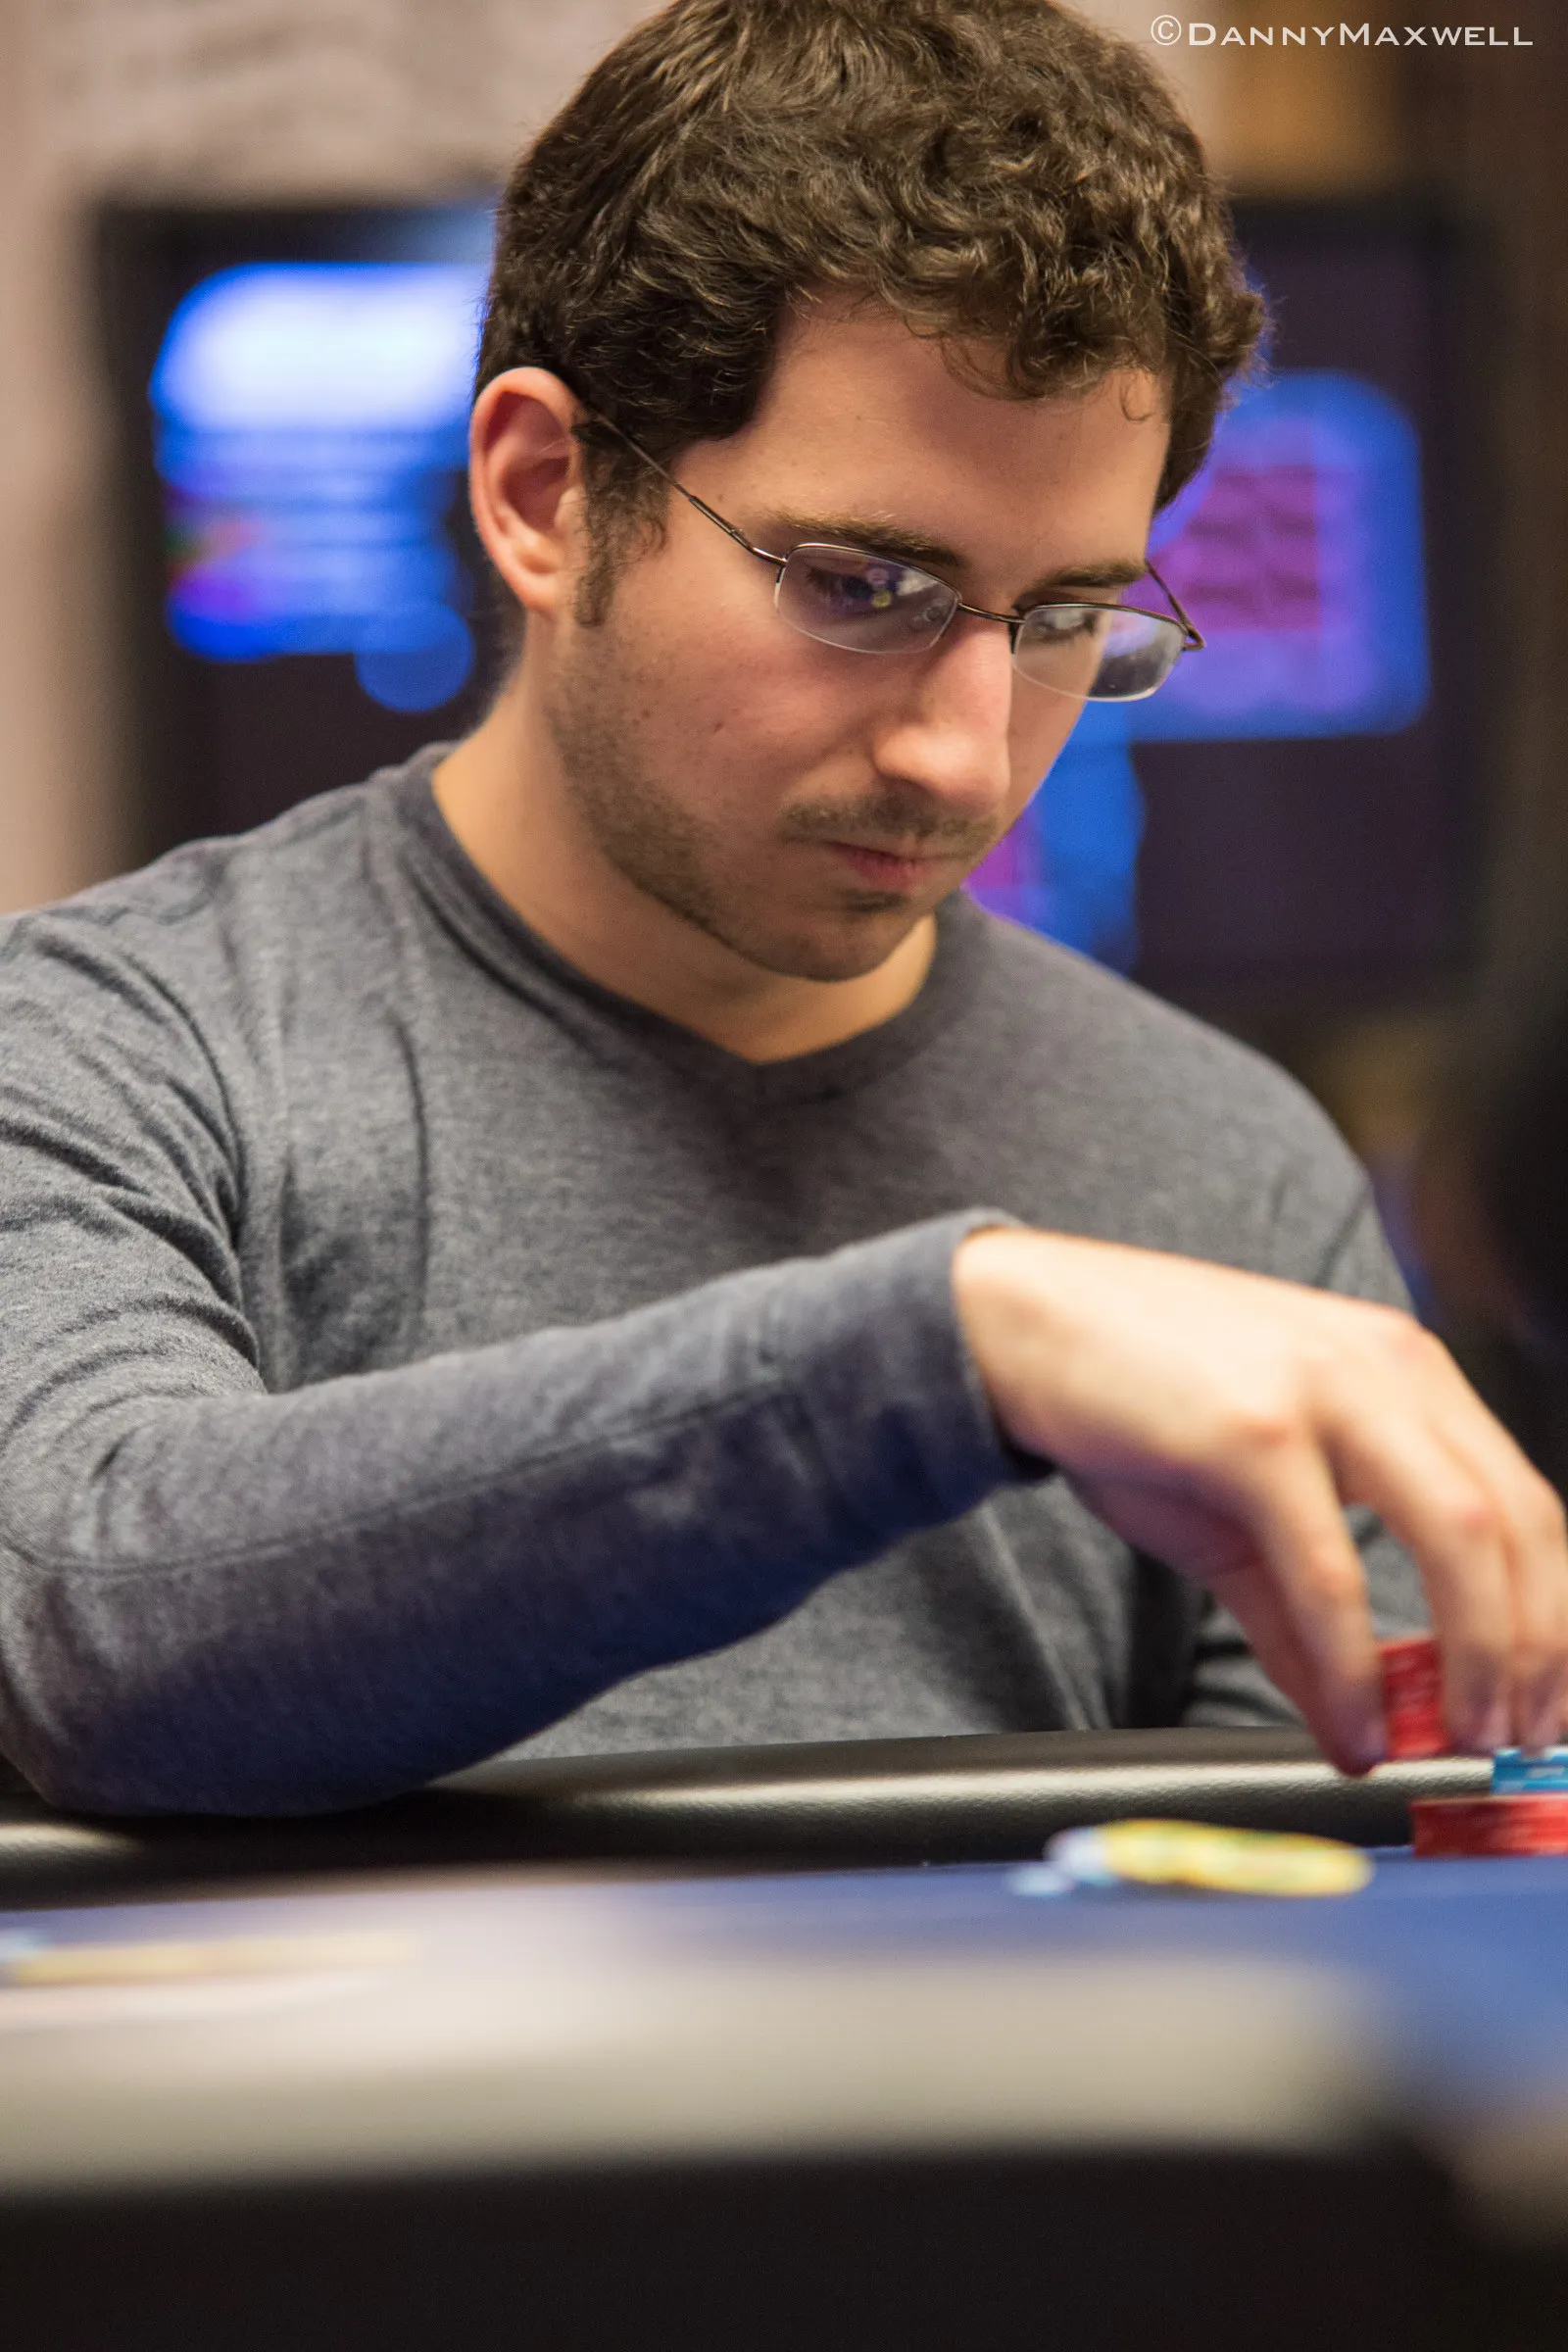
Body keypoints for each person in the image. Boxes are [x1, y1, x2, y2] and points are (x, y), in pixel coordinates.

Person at [1, 0, 1563, 1818]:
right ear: (543, 494)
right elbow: (93, 1629)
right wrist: (945, 1350)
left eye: (1066, 618)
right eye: (863, 585)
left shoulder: (1226, 1176)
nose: (965, 760)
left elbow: (1310, 1899)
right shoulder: (110, 1050)